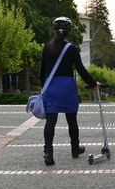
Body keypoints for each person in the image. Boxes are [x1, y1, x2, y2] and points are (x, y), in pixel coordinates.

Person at [40, 17, 98, 166]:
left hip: (51, 87)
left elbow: (42, 72)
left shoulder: (47, 48)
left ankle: (48, 153)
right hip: (67, 87)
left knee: (50, 121)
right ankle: (75, 149)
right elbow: (81, 69)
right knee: (72, 120)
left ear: (54, 30)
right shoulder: (71, 49)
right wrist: (93, 83)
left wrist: (44, 88)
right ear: (69, 31)